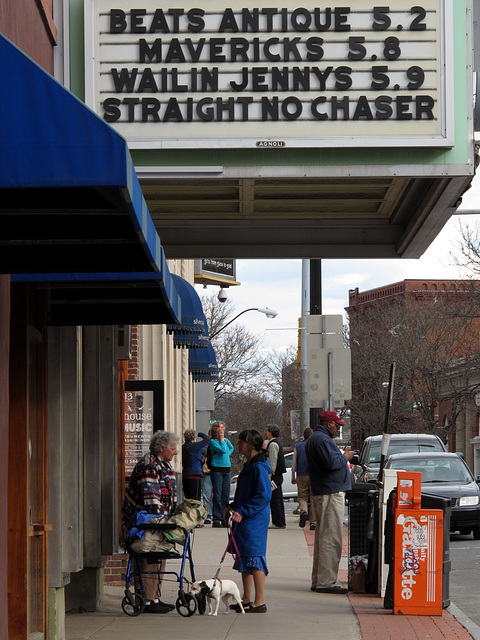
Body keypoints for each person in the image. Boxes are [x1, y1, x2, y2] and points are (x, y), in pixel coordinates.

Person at [122, 430, 180, 613]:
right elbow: (151, 500)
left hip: (159, 521)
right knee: (148, 557)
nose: (175, 452)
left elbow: (170, 498)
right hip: (145, 522)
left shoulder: (164, 466)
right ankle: (146, 600)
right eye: (173, 448)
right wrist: (164, 522)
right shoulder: (149, 465)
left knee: (159, 557)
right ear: (161, 448)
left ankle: (154, 598)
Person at [305, 410, 354, 594]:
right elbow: (332, 463)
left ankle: (319, 580)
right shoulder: (322, 440)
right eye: (337, 425)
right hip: (330, 492)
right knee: (331, 537)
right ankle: (326, 582)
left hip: (325, 491)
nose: (338, 428)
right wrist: (345, 457)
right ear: (329, 424)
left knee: (324, 537)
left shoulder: (318, 439)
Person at [224, 429, 271, 613]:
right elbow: (245, 494)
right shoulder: (250, 465)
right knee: (244, 556)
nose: (238, 445)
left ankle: (260, 601)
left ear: (252, 444)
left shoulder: (259, 467)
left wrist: (243, 511)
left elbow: (263, 496)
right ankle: (246, 597)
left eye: (241, 441)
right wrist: (232, 506)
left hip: (254, 519)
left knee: (255, 555)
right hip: (244, 517)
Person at [209, 421, 234, 527]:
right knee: (218, 495)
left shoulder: (227, 440)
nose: (222, 429)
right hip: (217, 469)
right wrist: (222, 439)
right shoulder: (213, 442)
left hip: (226, 469)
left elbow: (230, 448)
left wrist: (229, 453)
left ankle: (224, 517)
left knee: (225, 495)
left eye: (223, 427)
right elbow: (223, 450)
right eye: (220, 427)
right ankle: (216, 517)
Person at [291, 427, 316, 530]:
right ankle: (313, 523)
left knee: (302, 496)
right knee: (314, 498)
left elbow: (294, 462)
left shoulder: (298, 446)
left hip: (301, 474)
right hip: (314, 474)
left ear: (303, 435)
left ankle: (303, 511)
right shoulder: (315, 445)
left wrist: (293, 475)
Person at [265, 424, 286, 528]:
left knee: (275, 499)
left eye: (266, 431)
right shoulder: (277, 443)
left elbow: (272, 461)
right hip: (278, 475)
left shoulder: (272, 444)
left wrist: (269, 474)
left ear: (270, 432)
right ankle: (281, 521)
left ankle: (278, 522)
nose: (265, 432)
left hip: (274, 476)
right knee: (278, 499)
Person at [181, 429, 210, 501]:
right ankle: (194, 512)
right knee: (195, 499)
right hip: (195, 474)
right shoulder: (194, 446)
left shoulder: (183, 447)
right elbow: (207, 439)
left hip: (185, 474)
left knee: (187, 498)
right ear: (194, 438)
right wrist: (199, 434)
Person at [200, 429, 213, 524]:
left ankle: (216, 514)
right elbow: (203, 451)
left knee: (218, 495)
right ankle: (208, 515)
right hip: (207, 472)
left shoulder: (223, 442)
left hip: (218, 471)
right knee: (206, 495)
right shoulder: (205, 446)